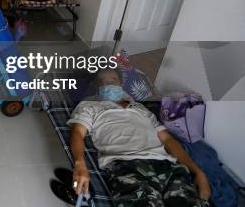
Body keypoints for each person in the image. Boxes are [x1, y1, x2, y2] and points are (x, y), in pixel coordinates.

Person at [68, 68, 211, 206]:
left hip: (168, 167)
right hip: (127, 165)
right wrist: (80, 164)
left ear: (121, 84)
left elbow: (167, 140)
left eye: (113, 80)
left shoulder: (141, 108)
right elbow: (77, 133)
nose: (109, 84)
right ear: (96, 86)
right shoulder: (89, 105)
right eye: (102, 81)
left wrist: (198, 172)